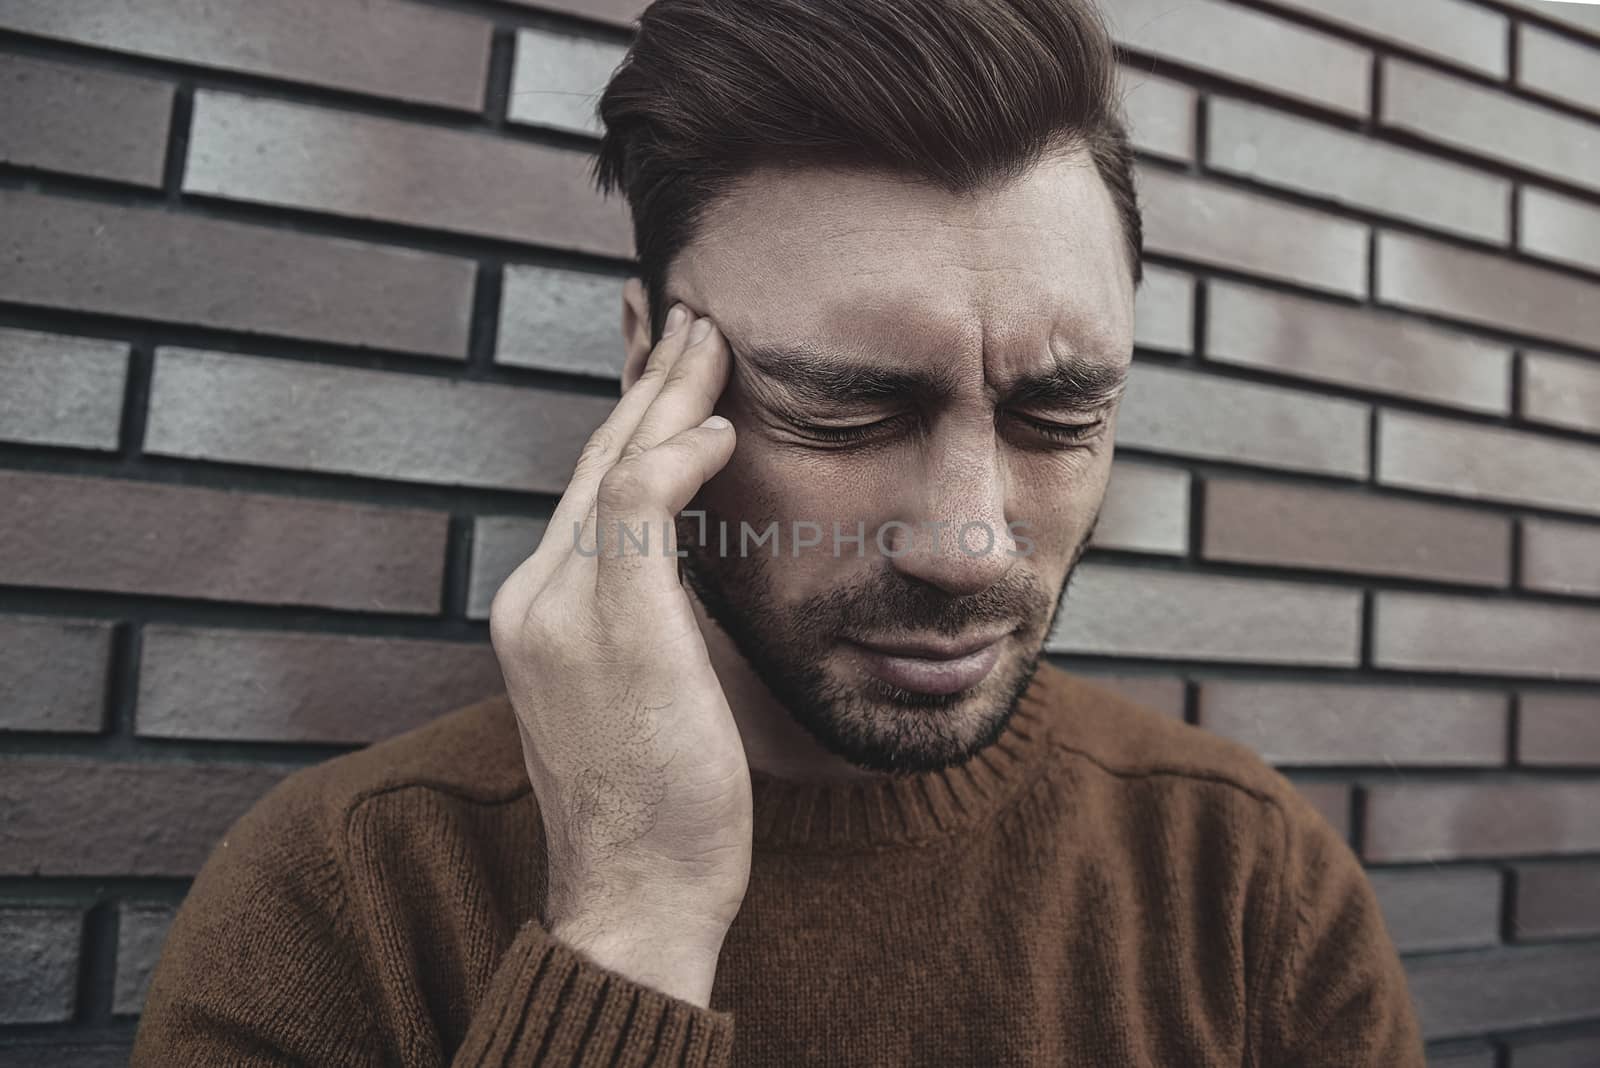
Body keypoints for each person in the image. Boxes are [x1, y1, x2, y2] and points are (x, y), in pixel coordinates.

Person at [131, 0, 1426, 1063]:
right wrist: (633, 922)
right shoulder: (345, 898)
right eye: (849, 408)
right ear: (654, 372)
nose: (970, 544)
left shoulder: (1249, 882)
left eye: (1059, 412)